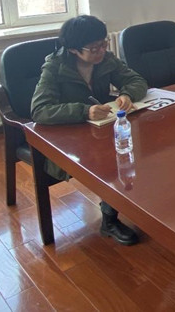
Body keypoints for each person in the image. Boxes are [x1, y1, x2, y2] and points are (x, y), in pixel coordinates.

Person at [31, 15, 148, 246]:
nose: (101, 51)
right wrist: (84, 111)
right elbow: (40, 110)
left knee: (135, 146)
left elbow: (137, 80)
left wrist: (127, 94)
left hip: (101, 128)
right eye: (94, 48)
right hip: (69, 136)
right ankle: (109, 220)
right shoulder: (55, 68)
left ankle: (127, 203)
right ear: (73, 50)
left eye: (103, 44)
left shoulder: (106, 59)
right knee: (113, 158)